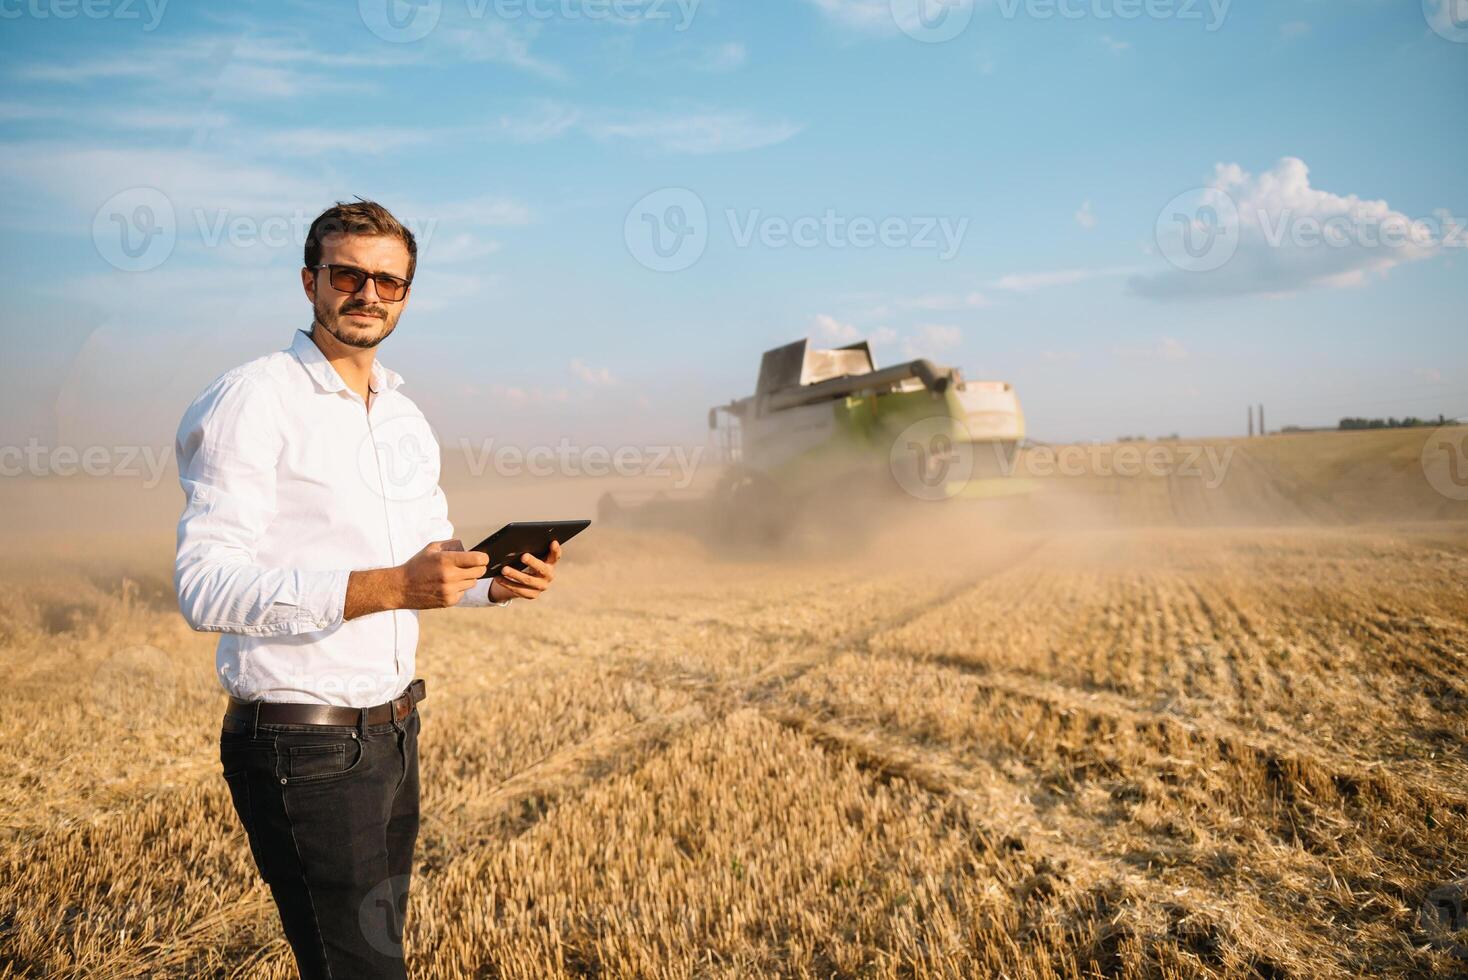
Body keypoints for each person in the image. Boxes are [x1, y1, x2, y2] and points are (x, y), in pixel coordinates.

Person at [172, 199, 561, 979]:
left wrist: (496, 582)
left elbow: (431, 562)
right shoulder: (254, 398)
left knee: (373, 961)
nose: (369, 294)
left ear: (407, 294)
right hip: (302, 743)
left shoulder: (405, 416)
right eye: (349, 274)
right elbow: (204, 587)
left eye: (390, 280)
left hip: (393, 733)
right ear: (310, 281)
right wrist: (390, 585)